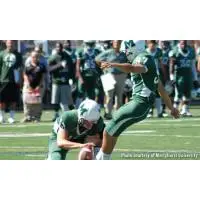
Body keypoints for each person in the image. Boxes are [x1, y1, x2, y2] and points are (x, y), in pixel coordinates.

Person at [95, 40, 180, 160]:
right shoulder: (148, 59)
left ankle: (100, 159)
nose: (126, 53)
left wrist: (112, 64)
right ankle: (101, 158)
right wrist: (172, 108)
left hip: (139, 104)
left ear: (133, 48)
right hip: (139, 105)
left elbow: (134, 68)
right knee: (112, 130)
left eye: (126, 50)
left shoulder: (143, 58)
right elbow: (160, 89)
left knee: (108, 130)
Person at [95, 40, 127, 120]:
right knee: (109, 96)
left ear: (120, 44)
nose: (117, 44)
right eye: (115, 42)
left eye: (118, 43)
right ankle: (108, 113)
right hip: (109, 75)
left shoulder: (123, 53)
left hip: (121, 75)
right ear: (113, 43)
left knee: (119, 96)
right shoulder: (108, 52)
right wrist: (103, 66)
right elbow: (97, 59)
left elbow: (127, 63)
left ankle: (118, 114)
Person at [169, 40, 197, 116]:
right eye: (182, 44)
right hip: (179, 76)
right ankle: (174, 110)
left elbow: (193, 66)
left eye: (184, 44)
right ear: (179, 44)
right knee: (178, 94)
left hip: (188, 76)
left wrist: (195, 79)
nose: (183, 46)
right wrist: (171, 78)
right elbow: (171, 66)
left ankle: (185, 110)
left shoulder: (191, 51)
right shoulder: (175, 51)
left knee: (188, 94)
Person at [48, 42, 74, 122]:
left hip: (66, 82)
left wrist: (72, 79)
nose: (59, 48)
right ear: (55, 48)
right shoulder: (53, 57)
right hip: (56, 81)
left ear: (62, 48)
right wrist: (59, 65)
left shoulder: (67, 56)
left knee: (67, 100)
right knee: (55, 100)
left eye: (60, 47)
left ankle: (70, 115)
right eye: (57, 47)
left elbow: (71, 68)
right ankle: (56, 114)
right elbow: (49, 69)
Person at [0, 40, 22, 124]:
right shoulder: (1, 54)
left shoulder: (18, 55)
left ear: (14, 44)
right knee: (1, 100)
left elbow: (20, 68)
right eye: (9, 43)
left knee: (13, 100)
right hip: (3, 80)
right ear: (6, 43)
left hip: (14, 80)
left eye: (12, 43)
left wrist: (20, 79)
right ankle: (2, 117)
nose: (10, 44)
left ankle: (11, 117)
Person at [22, 51, 46, 122]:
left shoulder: (41, 66)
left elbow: (43, 76)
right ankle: (27, 116)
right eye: (33, 57)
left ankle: (37, 117)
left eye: (36, 57)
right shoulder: (27, 65)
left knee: (38, 102)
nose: (34, 58)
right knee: (26, 101)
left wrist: (39, 85)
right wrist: (28, 84)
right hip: (28, 86)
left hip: (38, 86)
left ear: (38, 58)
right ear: (30, 57)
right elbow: (25, 75)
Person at [75, 40, 101, 106]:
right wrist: (80, 77)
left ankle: (90, 109)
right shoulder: (80, 51)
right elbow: (77, 66)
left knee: (92, 94)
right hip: (84, 75)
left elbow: (99, 64)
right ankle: (78, 109)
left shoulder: (97, 51)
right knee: (80, 93)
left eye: (91, 43)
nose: (90, 45)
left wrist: (99, 75)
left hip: (93, 75)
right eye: (88, 43)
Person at [146, 40, 166, 118]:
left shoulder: (159, 51)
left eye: (154, 44)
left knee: (158, 93)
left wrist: (164, 75)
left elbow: (161, 64)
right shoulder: (144, 52)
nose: (152, 45)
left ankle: (159, 111)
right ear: (148, 44)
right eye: (151, 43)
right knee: (148, 93)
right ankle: (149, 111)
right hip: (146, 74)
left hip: (156, 74)